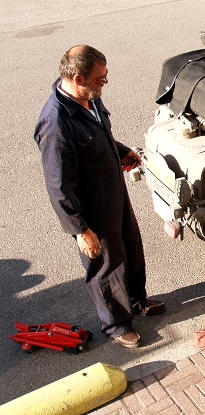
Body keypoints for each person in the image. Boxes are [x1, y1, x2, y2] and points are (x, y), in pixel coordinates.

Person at [34, 45, 165, 349]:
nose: (104, 83)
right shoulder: (55, 123)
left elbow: (99, 136)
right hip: (91, 208)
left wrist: (122, 152)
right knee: (106, 266)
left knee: (131, 249)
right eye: (100, 78)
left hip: (114, 193)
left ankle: (136, 301)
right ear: (78, 78)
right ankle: (116, 325)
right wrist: (80, 230)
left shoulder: (88, 98)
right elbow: (58, 185)